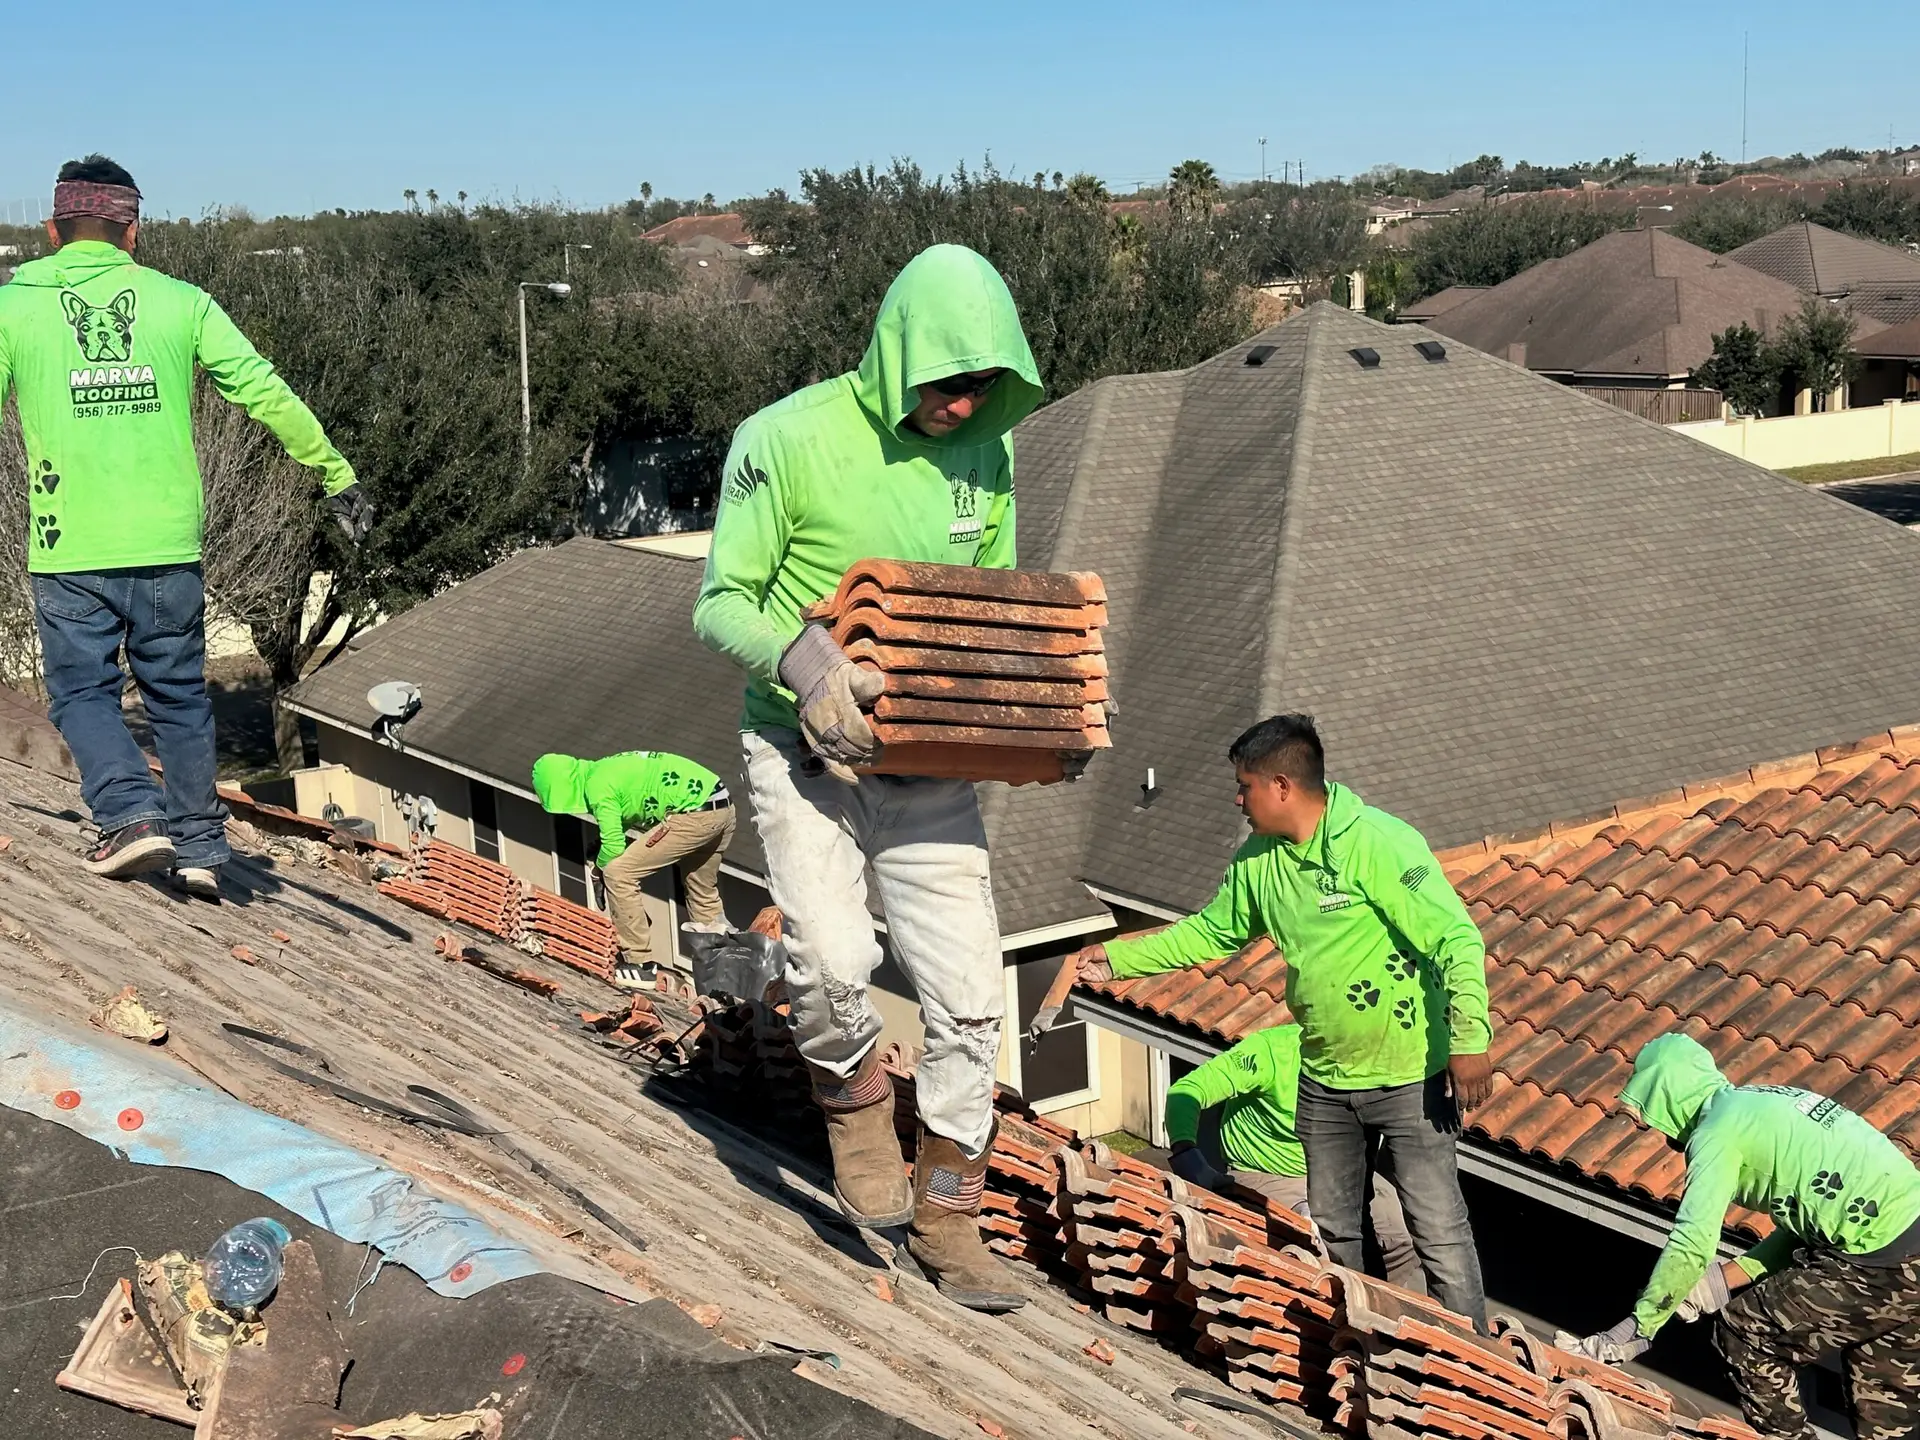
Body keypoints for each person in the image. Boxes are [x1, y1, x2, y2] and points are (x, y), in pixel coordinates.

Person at [693, 243, 1045, 1312]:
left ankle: (949, 1215)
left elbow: (987, 609)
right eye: (947, 382)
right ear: (898, 356)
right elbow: (720, 601)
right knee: (836, 960)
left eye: (984, 383)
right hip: (802, 752)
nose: (964, 403)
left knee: (974, 1002)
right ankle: (853, 1107)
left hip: (927, 761)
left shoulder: (988, 446)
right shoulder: (784, 439)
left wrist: (1042, 704)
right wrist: (813, 671)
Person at [0, 155, 366, 897]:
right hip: (168, 544)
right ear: (132, 232)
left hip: (71, 546)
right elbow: (261, 388)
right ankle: (200, 846)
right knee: (178, 695)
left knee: (82, 694)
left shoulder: (13, 309)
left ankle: (131, 817)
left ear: (52, 231)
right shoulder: (183, 302)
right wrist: (335, 472)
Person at [1070, 713, 1495, 1329]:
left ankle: (1476, 1357)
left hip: (1411, 1073)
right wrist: (1115, 960)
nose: (1238, 800)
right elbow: (1212, 933)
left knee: (1437, 1230)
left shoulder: (1377, 842)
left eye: (1244, 787)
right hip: (1324, 1079)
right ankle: (1354, 1341)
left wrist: (1469, 1039)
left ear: (1281, 786)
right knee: (1335, 1229)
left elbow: (1456, 938)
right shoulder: (1257, 863)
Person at [1569, 1032, 1920, 1440]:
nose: (1659, 1134)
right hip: (1904, 1242)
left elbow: (1692, 1241)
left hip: (1880, 1255)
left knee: (1745, 1332)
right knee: (1885, 1404)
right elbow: (1807, 1229)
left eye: (1651, 1115)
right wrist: (1719, 1281)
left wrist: (1641, 1325)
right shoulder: (1758, 1102)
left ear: (1668, 1096)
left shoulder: (1717, 1133)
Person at [1166, 1021, 1425, 1294]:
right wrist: (1187, 1156)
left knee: (1410, 1234)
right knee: (1318, 1245)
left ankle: (1393, 1308)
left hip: (1341, 1168)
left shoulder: (1374, 1060)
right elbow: (1188, 1091)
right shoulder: (1270, 1051)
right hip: (1269, 1173)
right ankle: (1328, 1310)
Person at [530, 750, 734, 988]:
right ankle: (724, 974)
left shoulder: (597, 788)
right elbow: (626, 812)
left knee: (618, 873)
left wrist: (597, 871)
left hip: (693, 814)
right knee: (701, 892)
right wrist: (601, 848)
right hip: (722, 807)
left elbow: (614, 846)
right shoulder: (603, 770)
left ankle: (639, 964)